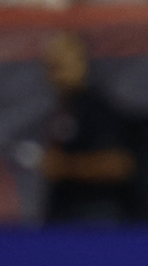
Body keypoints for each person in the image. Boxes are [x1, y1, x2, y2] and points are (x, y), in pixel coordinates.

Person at [42, 32, 139, 223]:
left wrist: (65, 166)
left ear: (81, 63)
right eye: (49, 66)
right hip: (63, 216)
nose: (54, 73)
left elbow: (118, 164)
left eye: (60, 65)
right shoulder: (63, 107)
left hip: (93, 218)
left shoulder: (96, 106)